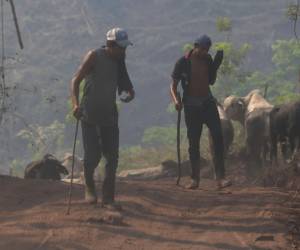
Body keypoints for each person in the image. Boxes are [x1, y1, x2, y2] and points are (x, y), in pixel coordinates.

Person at [70, 27, 135, 207]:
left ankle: (108, 198)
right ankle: (89, 187)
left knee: (112, 157)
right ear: (109, 44)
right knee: (92, 156)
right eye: (120, 47)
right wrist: (75, 104)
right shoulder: (94, 56)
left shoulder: (119, 59)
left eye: (125, 48)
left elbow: (123, 77)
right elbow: (75, 80)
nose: (123, 51)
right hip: (89, 113)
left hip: (109, 115)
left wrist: (130, 91)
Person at [170, 35, 231, 189]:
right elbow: (173, 85)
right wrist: (176, 100)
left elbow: (210, 81)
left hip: (208, 103)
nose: (205, 52)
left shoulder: (208, 60)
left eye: (207, 49)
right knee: (194, 142)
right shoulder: (183, 62)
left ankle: (221, 178)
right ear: (195, 46)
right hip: (191, 106)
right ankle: (194, 179)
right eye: (203, 49)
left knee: (218, 137)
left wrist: (215, 66)